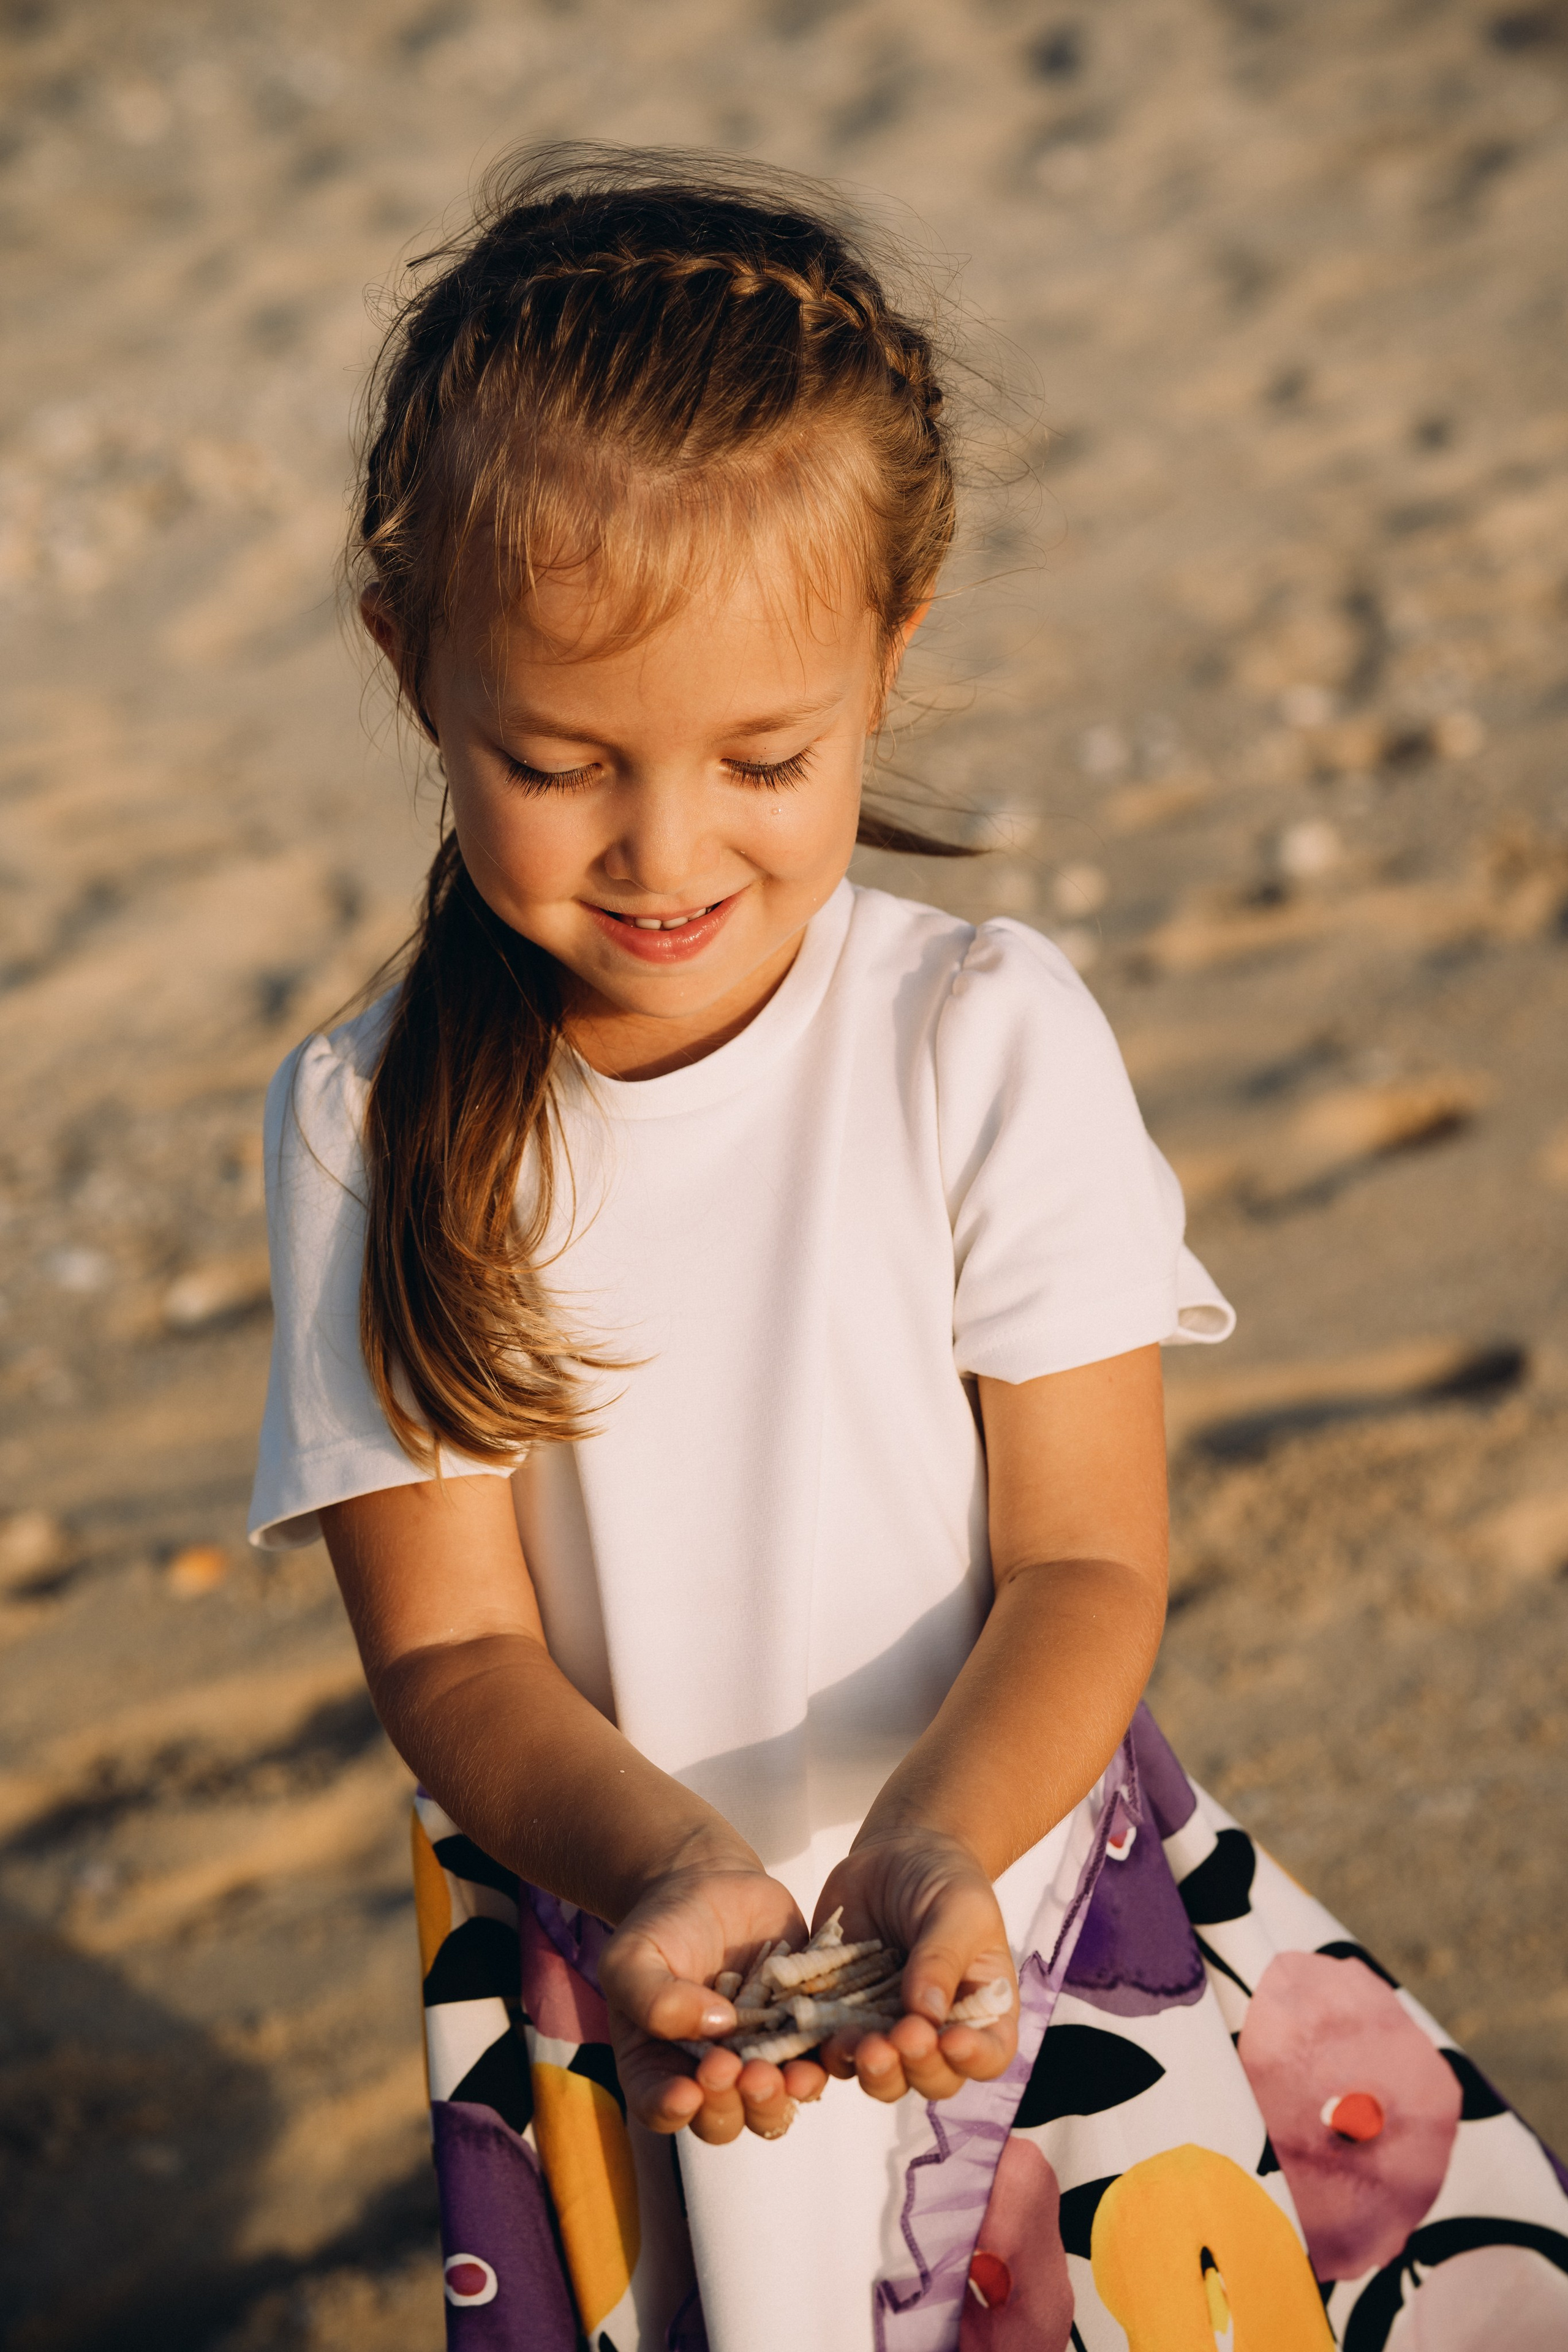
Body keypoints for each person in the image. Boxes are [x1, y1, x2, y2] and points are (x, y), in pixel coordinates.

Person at [249, 146, 1568, 2352]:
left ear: (892, 647)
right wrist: (658, 1870)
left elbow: (1087, 1565)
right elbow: (454, 1657)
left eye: (764, 756)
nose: (664, 850)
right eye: (559, 762)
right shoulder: (371, 1122)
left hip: (1008, 1915)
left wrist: (941, 1845)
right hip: (630, 1971)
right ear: (411, 665)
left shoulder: (978, 1036)